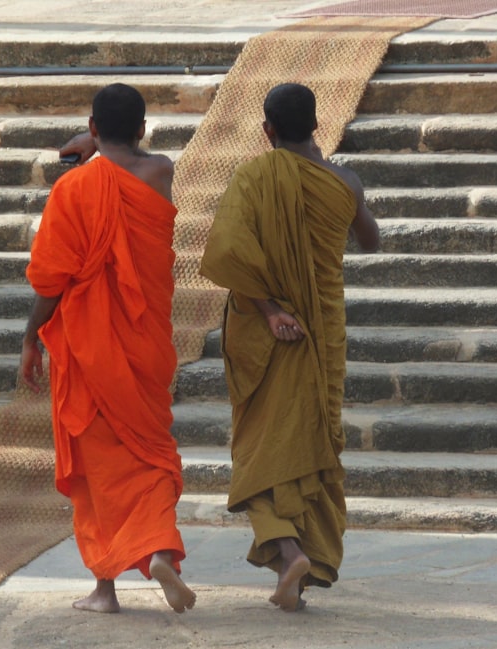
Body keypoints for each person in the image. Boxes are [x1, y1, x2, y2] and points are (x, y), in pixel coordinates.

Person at [199, 82, 380, 612]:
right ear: (318, 127)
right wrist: (346, 188)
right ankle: (298, 572)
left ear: (267, 130)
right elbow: (371, 241)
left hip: (267, 332)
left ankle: (287, 550)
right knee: (310, 440)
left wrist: (272, 308)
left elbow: (228, 251)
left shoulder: (253, 176)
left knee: (259, 449)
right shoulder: (344, 182)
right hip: (322, 332)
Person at [20, 83, 197, 615]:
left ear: (93, 129)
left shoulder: (74, 190)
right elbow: (129, 165)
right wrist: (101, 146)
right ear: (142, 129)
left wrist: (30, 338)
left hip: (89, 351)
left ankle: (105, 589)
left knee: (98, 471)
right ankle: (161, 546)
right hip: (143, 350)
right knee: (150, 453)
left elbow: (51, 282)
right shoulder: (161, 170)